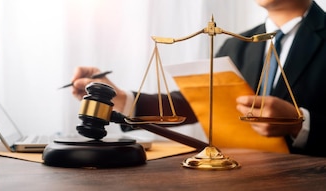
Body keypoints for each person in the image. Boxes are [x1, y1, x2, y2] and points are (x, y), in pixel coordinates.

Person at [70, 0, 326, 157]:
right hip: (241, 177)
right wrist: (121, 97)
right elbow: (194, 104)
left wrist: (299, 124)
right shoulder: (235, 46)